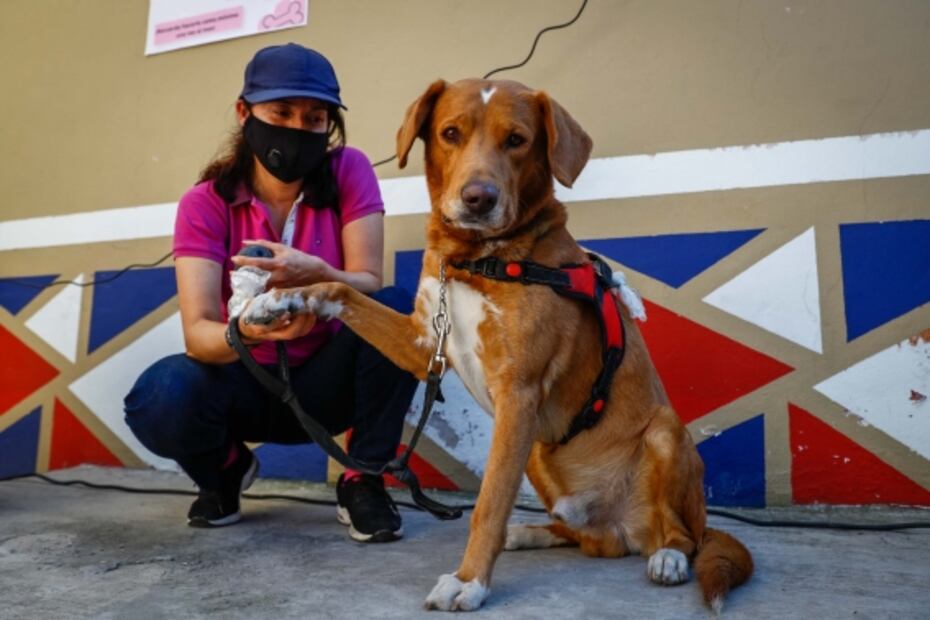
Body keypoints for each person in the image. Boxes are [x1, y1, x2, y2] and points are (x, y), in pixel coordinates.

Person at [124, 43, 417, 543]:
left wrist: (319, 275)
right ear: (245, 113)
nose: (298, 128)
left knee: (395, 307)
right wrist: (249, 330)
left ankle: (362, 478)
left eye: (315, 117)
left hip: (330, 381)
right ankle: (226, 471)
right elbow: (199, 335)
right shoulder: (206, 202)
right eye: (281, 112)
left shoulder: (349, 170)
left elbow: (366, 282)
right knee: (160, 395)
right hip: (245, 379)